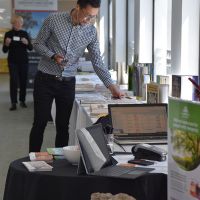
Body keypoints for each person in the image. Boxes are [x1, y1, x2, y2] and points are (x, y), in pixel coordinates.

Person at [29, 0, 124, 152]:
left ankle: (60, 164)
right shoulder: (54, 20)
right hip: (45, 79)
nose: (89, 20)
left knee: (63, 126)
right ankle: (31, 159)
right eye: (87, 15)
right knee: (39, 123)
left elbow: (97, 61)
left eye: (93, 17)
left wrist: (112, 86)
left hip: (67, 84)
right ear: (78, 7)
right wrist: (53, 56)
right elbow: (38, 43)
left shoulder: (91, 32)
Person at [2, 15, 33, 111]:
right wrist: (6, 44)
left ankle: (22, 100)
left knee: (23, 81)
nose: (18, 24)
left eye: (20, 22)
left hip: (23, 61)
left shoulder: (25, 33)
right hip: (12, 62)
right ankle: (13, 102)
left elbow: (30, 48)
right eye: (16, 22)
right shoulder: (8, 34)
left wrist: (27, 43)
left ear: (22, 24)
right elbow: (4, 50)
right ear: (13, 23)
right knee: (14, 81)